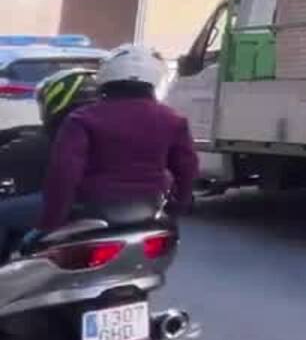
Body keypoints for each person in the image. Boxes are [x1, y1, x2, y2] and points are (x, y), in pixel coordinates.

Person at [28, 45, 198, 252]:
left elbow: (64, 174)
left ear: (107, 76)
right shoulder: (173, 120)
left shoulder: (83, 118)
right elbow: (187, 170)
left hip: (91, 207)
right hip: (148, 209)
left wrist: (49, 224)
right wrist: (176, 208)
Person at [0, 68, 97, 260]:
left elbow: (25, 149)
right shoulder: (93, 122)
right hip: (108, 200)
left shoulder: (59, 135)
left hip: (73, 201)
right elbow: (26, 134)